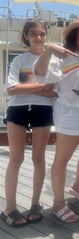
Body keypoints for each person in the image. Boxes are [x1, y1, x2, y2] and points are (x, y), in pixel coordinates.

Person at [34, 17, 79, 223]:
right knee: (62, 160)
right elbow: (39, 74)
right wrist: (49, 50)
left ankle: (77, 187)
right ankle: (58, 203)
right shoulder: (61, 57)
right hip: (69, 112)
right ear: (74, 34)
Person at [1, 19, 57, 227]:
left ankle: (36, 203)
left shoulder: (53, 61)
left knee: (38, 157)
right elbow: (10, 90)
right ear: (26, 36)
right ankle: (10, 207)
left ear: (46, 36)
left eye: (42, 33)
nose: (38, 37)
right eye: (33, 34)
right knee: (16, 158)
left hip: (43, 110)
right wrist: (41, 87)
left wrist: (30, 87)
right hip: (18, 109)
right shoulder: (19, 61)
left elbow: (55, 91)